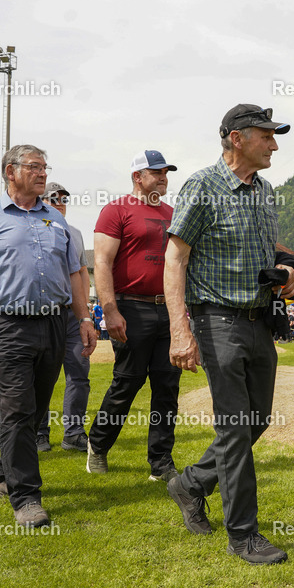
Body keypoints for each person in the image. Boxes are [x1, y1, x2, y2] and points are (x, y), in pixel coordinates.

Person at [163, 104, 294, 565]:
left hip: (260, 321)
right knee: (235, 427)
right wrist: (179, 328)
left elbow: (267, 251)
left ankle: (189, 484)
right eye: (267, 135)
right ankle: (243, 535)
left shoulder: (264, 191)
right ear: (238, 138)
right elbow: (175, 258)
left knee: (255, 420)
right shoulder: (202, 186)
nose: (275, 145)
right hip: (216, 321)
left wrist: (288, 272)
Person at [0, 144, 96, 528]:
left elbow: (76, 273)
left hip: (54, 323)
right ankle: (26, 497)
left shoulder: (56, 218)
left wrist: (84, 318)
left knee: (34, 409)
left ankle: (5, 471)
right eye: (33, 167)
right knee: (16, 408)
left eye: (45, 167)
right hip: (6, 325)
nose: (42, 173)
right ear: (10, 172)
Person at [86, 150, 183, 481]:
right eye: (156, 172)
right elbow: (101, 262)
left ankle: (161, 462)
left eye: (166, 172)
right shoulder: (116, 210)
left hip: (168, 307)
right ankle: (98, 445)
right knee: (128, 382)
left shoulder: (173, 214)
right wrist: (110, 309)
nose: (163, 178)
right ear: (137, 177)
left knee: (167, 385)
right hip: (131, 306)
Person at [35, 182, 92, 453]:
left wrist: (85, 314)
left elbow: (81, 273)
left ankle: (74, 433)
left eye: (63, 200)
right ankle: (39, 433)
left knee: (79, 373)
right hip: (45, 314)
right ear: (41, 201)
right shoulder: (33, 229)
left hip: (72, 316)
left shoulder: (75, 233)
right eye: (53, 199)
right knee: (41, 376)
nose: (60, 204)